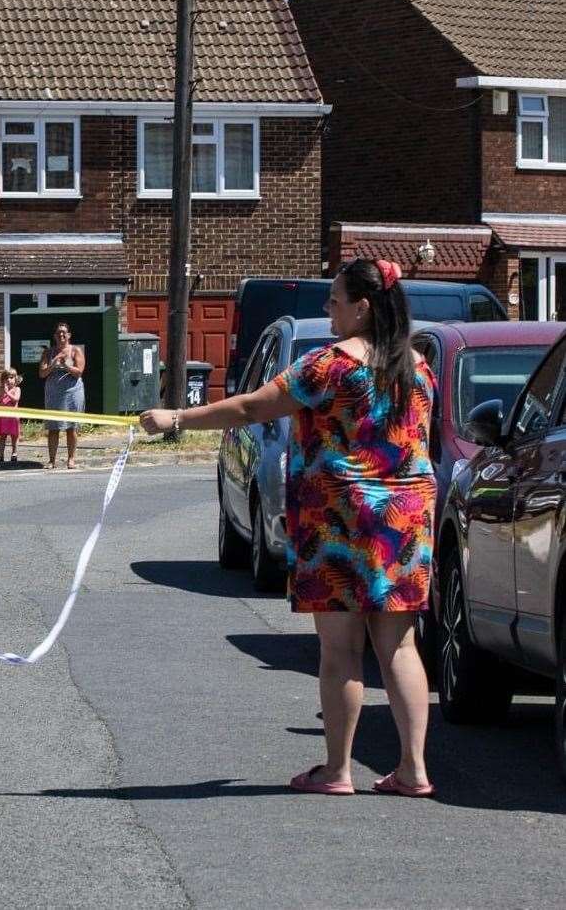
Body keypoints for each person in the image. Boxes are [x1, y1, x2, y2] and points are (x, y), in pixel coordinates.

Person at [140, 259, 436, 798]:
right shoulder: (418, 368)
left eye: (335, 301)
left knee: (341, 650)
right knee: (399, 646)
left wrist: (177, 418)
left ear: (362, 307)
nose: (329, 310)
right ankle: (414, 770)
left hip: (339, 519)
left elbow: (253, 407)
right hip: (406, 520)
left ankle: (337, 770)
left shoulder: (329, 366)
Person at [38, 321, 86, 469]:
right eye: (58, 332)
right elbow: (42, 373)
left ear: (69, 335)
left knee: (71, 427)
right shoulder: (48, 352)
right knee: (53, 428)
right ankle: (52, 460)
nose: (61, 335)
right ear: (55, 336)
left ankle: (71, 459)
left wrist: (65, 365)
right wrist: (53, 364)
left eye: (64, 332)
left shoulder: (75, 350)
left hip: (72, 393)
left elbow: (79, 372)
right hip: (54, 394)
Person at [0, 367, 22, 463]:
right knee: (3, 437)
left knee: (14, 436)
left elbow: (16, 399)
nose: (8, 380)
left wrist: (8, 393)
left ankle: (14, 453)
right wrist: (2, 391)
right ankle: (1, 455)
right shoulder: (1, 390)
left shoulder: (17, 389)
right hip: (3, 417)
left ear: (15, 379)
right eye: (6, 378)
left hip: (13, 417)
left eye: (11, 377)